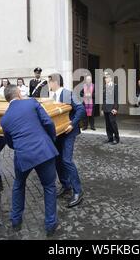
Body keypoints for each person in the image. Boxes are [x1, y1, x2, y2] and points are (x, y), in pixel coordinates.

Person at [0, 84, 59, 236]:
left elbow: (10, 142)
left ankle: (15, 220)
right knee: (49, 187)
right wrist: (50, 140)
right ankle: (50, 224)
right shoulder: (31, 102)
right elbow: (48, 123)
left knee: (18, 185)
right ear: (19, 93)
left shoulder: (4, 119)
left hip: (23, 155)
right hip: (44, 151)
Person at [48, 73, 86, 208]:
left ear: (55, 82)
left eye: (49, 82)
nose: (48, 84)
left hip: (69, 131)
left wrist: (71, 124)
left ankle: (78, 191)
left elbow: (81, 109)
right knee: (57, 159)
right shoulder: (51, 96)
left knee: (66, 160)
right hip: (58, 133)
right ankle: (66, 186)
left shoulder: (68, 93)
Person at [102, 72, 120, 145]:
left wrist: (115, 108)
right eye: (105, 78)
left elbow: (116, 98)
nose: (105, 79)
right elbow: (104, 99)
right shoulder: (104, 86)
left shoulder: (115, 86)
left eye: (106, 77)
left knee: (113, 123)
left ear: (110, 78)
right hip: (106, 108)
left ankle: (117, 138)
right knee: (107, 124)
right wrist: (102, 108)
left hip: (112, 108)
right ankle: (110, 138)